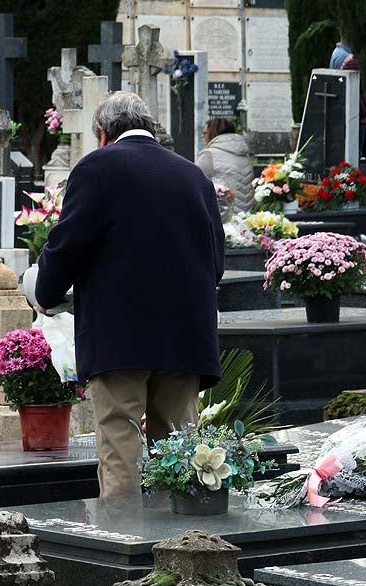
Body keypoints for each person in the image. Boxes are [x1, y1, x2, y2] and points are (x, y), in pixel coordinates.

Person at [33, 93, 224, 498]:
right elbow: (216, 263)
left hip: (120, 338)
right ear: (150, 127)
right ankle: (184, 545)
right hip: (184, 337)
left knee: (121, 444)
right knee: (180, 450)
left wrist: (45, 293)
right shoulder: (193, 176)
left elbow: (67, 244)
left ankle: (126, 550)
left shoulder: (97, 169)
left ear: (102, 133)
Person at [339, 52, 366, 196]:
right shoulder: (352, 63)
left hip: (365, 121)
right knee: (356, 158)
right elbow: (353, 92)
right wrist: (365, 115)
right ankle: (358, 192)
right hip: (358, 121)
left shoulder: (357, 60)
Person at [195, 117, 254, 216]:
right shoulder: (244, 153)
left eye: (205, 134)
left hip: (224, 216)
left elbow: (194, 183)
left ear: (213, 133)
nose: (204, 138)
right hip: (247, 215)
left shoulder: (209, 155)